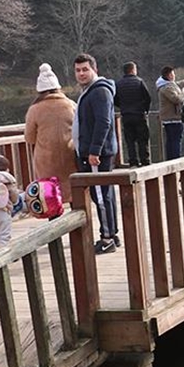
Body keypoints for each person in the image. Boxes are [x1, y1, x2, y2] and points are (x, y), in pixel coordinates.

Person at [73, 53, 120, 254]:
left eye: (85, 69)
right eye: (78, 70)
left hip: (96, 155)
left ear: (95, 69)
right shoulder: (90, 91)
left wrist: (94, 151)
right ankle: (112, 234)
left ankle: (107, 238)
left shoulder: (100, 92)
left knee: (100, 195)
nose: (81, 73)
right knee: (103, 194)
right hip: (92, 152)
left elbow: (104, 123)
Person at [24, 63, 78, 200]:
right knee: (74, 193)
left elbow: (29, 138)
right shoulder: (71, 105)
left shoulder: (35, 109)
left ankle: (54, 219)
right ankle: (82, 219)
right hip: (70, 156)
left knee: (49, 198)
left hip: (46, 161)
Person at [113, 61, 152, 166]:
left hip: (126, 115)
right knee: (142, 139)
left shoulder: (119, 84)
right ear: (133, 70)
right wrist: (146, 110)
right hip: (139, 114)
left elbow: (115, 99)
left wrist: (123, 107)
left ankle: (132, 160)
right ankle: (144, 160)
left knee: (129, 140)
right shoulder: (139, 82)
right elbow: (147, 98)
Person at [156, 65, 184, 160]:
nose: (174, 75)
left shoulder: (168, 85)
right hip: (172, 118)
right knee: (175, 141)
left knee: (172, 141)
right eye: (172, 73)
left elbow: (178, 84)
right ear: (168, 75)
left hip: (171, 118)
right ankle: (175, 160)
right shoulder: (166, 87)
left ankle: (171, 159)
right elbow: (176, 99)